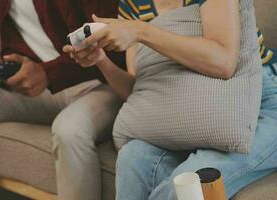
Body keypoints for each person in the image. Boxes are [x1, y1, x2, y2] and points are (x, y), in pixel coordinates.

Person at [64, 0, 276, 199]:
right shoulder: (133, 4)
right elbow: (140, 91)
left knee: (188, 183)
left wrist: (140, 31)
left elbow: (223, 62)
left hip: (265, 104)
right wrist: (100, 60)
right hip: (194, 108)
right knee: (133, 158)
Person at [0, 0, 125, 200]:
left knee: (69, 130)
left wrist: (48, 73)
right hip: (48, 86)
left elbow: (114, 50)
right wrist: (1, 69)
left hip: (103, 82)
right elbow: (16, 40)